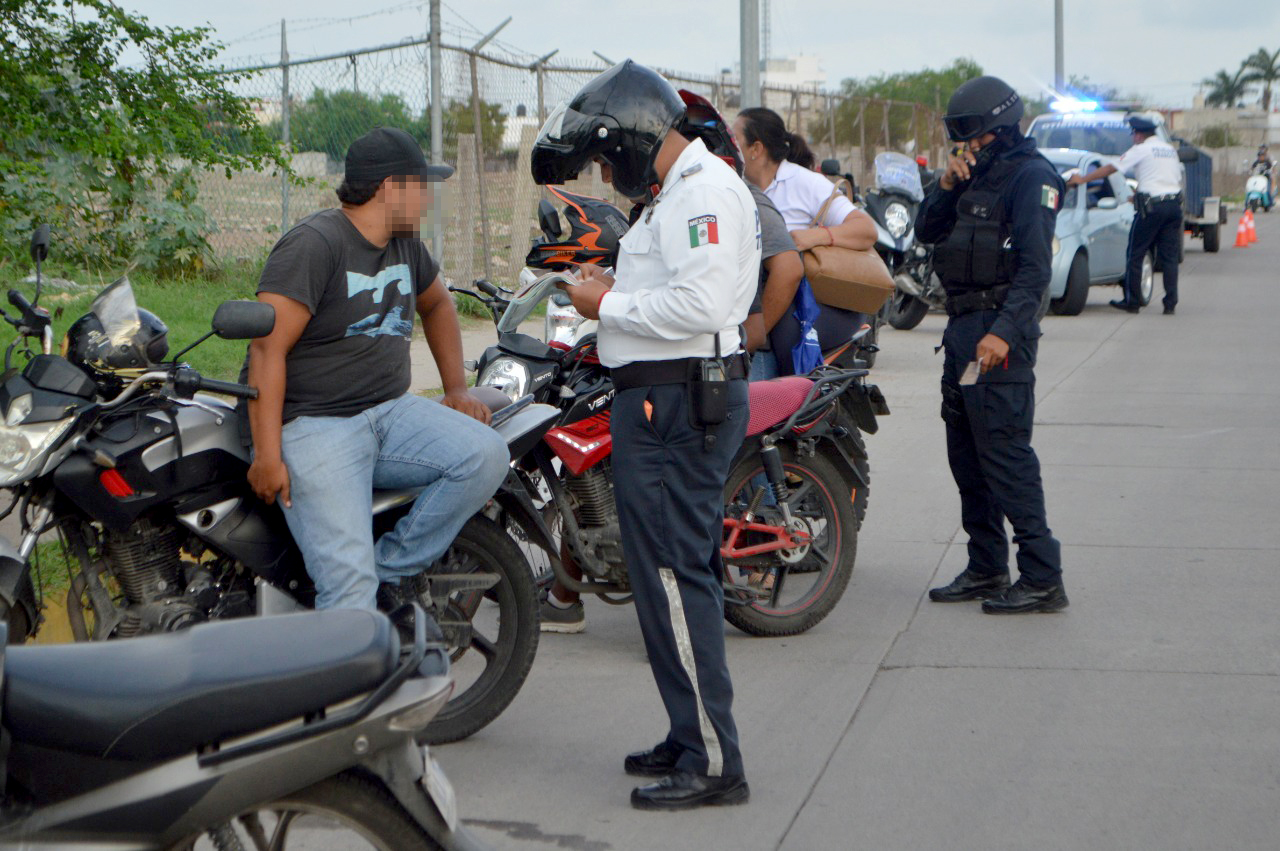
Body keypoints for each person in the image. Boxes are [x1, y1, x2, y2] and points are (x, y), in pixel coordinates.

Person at [532, 60, 757, 810]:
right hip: (654, 399)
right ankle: (685, 732)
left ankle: (715, 761)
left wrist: (610, 305)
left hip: (678, 402)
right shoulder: (675, 196)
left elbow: (701, 302)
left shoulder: (706, 192)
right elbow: (673, 288)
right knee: (657, 577)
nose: (603, 168)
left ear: (630, 138)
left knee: (674, 575)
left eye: (604, 154)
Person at [244, 127, 509, 613]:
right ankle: (348, 654)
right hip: (316, 426)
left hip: (390, 413)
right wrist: (266, 454)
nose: (429, 199)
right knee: (346, 592)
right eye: (421, 185)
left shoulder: (405, 245)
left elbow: (439, 305)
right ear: (390, 188)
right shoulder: (315, 244)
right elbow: (267, 351)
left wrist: (455, 389)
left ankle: (387, 573)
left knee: (486, 455)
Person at [916, 75, 1068, 615]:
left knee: (1004, 453)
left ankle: (1043, 576)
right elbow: (924, 231)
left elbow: (1035, 270)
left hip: (998, 335)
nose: (968, 147)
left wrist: (1003, 333)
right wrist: (947, 186)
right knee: (967, 456)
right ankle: (986, 565)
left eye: (974, 137)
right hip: (961, 330)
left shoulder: (1032, 178)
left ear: (1000, 128)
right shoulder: (971, 177)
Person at [731, 107, 877, 374]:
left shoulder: (804, 183)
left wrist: (816, 236)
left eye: (734, 140)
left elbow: (866, 230)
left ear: (755, 149)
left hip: (799, 308)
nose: (728, 147)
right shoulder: (734, 187)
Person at [1067, 115, 1181, 315]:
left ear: (1138, 135)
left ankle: (1133, 301)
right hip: (1173, 206)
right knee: (1170, 257)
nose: (1132, 138)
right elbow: (1167, 179)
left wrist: (1083, 179)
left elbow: (1112, 168)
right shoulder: (1169, 150)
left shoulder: (1141, 149)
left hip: (1152, 210)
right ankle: (1170, 303)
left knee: (1135, 253)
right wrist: (1139, 195)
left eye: (1133, 134)